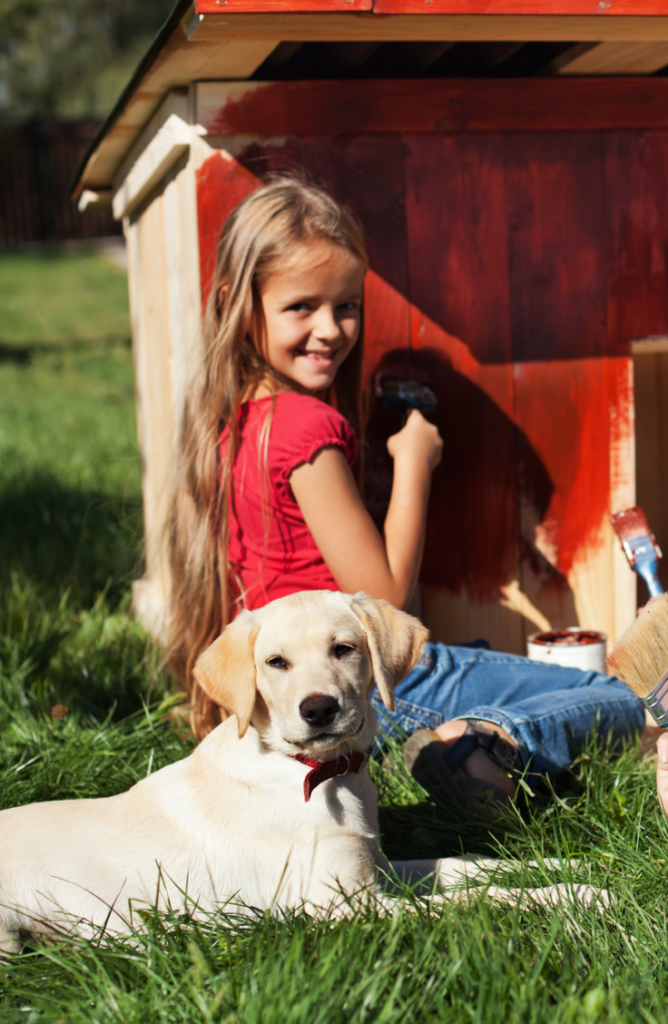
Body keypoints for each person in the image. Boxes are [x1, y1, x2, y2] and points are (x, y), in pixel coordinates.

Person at [167, 176, 644, 812]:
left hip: (303, 698)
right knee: (620, 695)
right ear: (236, 303)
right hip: (374, 685)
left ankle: (453, 739)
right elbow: (383, 594)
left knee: (489, 666)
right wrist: (414, 461)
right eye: (301, 307)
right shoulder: (307, 426)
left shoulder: (235, 425)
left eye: (346, 305)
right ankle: (486, 741)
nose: (331, 329)